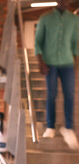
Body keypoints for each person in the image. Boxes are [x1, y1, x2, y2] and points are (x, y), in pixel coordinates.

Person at [35, 0, 79, 149]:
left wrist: (76, 62)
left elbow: (75, 42)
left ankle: (68, 128)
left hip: (67, 63)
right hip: (50, 63)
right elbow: (38, 42)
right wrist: (40, 61)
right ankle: (50, 127)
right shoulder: (45, 18)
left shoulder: (74, 20)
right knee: (52, 94)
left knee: (69, 95)